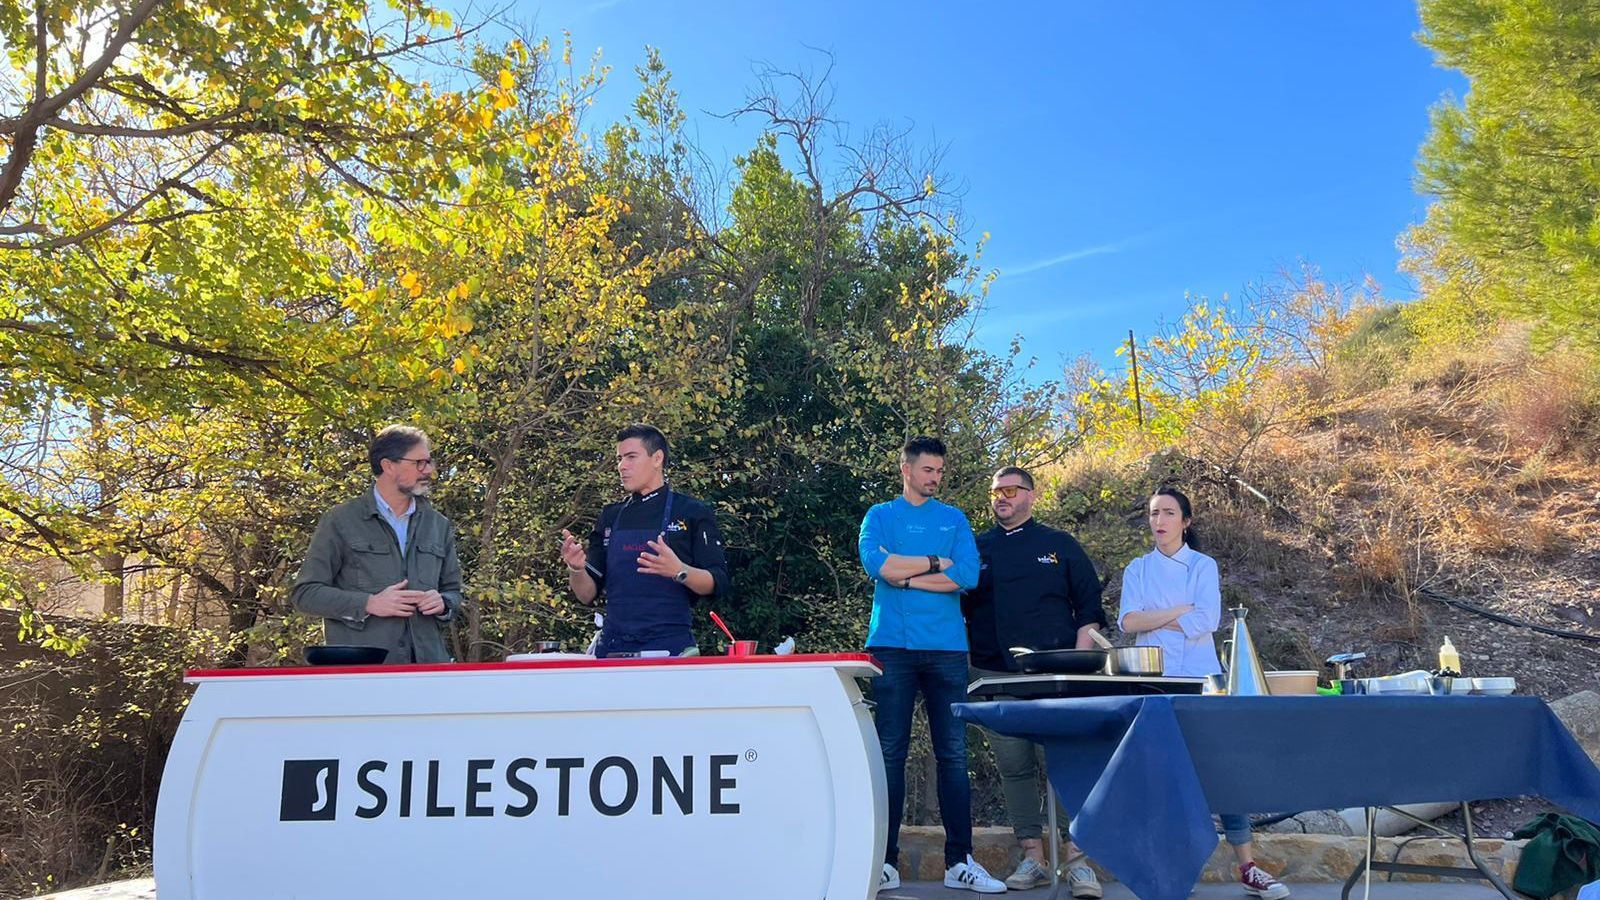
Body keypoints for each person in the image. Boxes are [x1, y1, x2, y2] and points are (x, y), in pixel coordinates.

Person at [1117, 486, 1290, 900]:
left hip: (1200, 677)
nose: (1160, 521)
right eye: (1154, 513)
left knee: (1221, 767)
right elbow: (1128, 621)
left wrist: (1157, 619)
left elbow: (1207, 619)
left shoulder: (1203, 565)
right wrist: (1180, 611)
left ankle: (1247, 865)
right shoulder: (1138, 569)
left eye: (1169, 513)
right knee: (1164, 774)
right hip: (1154, 678)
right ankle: (1175, 870)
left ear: (1186, 521)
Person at [858, 436, 1005, 894]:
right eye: (928, 470)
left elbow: (967, 575)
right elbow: (877, 566)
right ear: (906, 469)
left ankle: (960, 861)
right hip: (892, 647)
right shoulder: (879, 516)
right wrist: (932, 563)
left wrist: (908, 576)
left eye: (939, 471)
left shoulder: (954, 518)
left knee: (954, 755)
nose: (935, 478)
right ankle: (883, 862)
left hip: (946, 648)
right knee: (889, 754)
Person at [964, 465, 1107, 897]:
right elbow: (958, 607)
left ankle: (1077, 860)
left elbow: (1089, 606)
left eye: (1010, 490)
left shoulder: (1059, 545)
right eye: (995, 492)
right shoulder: (976, 548)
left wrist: (1082, 655)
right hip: (994, 674)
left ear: (1031, 495)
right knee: (1014, 765)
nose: (1001, 497)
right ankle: (1033, 856)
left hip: (1054, 674)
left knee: (1063, 763)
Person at [292, 425, 464, 663]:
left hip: (427, 673)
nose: (429, 470)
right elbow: (306, 594)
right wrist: (369, 603)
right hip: (363, 674)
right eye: (419, 463)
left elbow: (453, 591)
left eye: (429, 462)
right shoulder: (341, 520)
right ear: (388, 466)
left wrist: (443, 603)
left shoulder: (438, 525)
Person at [560, 424, 729, 657]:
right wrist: (576, 569)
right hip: (613, 650)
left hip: (671, 650)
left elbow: (718, 582)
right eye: (619, 458)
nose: (621, 466)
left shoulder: (692, 512)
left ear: (657, 458)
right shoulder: (610, 516)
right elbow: (587, 594)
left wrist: (679, 570)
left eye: (631, 457)